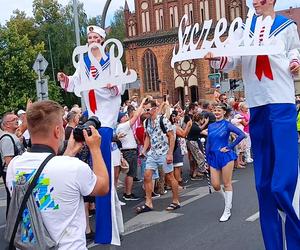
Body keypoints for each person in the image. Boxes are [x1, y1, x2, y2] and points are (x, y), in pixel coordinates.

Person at [205, 0, 300, 247]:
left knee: (282, 182)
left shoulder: (286, 26)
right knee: (263, 186)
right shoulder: (242, 29)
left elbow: (294, 51)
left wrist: (295, 62)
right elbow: (232, 59)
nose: (256, 2)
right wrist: (215, 59)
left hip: (281, 101)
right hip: (257, 104)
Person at [6, 100, 109, 249]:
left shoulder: (14, 166)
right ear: (57, 131)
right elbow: (103, 186)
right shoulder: (73, 168)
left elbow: (50, 169)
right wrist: (95, 149)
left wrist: (70, 152)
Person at [57, 25, 123, 245]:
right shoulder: (83, 62)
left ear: (102, 41)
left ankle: (109, 229)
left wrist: (113, 86)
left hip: (106, 118)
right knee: (102, 177)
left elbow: (120, 86)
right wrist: (65, 78)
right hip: (92, 115)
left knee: (104, 174)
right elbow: (75, 83)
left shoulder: (112, 61)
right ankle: (111, 224)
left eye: (96, 37)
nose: (92, 40)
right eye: (90, 37)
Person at [206, 103, 245, 222]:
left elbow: (241, 135)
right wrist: (207, 160)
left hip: (225, 156)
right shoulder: (211, 126)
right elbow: (208, 143)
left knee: (227, 183)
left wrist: (230, 146)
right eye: (215, 110)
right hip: (213, 157)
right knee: (216, 185)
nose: (216, 112)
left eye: (219, 110)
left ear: (224, 112)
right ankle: (227, 201)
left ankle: (227, 210)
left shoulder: (227, 125)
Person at [138, 100, 179, 213]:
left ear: (154, 109)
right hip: (153, 153)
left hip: (164, 152)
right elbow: (147, 137)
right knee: (147, 176)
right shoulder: (146, 122)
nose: (145, 112)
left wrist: (170, 153)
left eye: (147, 109)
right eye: (144, 109)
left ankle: (176, 201)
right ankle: (148, 202)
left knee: (170, 177)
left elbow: (171, 136)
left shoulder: (163, 120)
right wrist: (144, 150)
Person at [0, 113, 25, 217]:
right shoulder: (6, 138)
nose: (17, 120)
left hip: (15, 173)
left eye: (16, 118)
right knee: (13, 201)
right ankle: (11, 226)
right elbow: (8, 161)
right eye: (13, 119)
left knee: (15, 201)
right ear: (6, 125)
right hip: (11, 174)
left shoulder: (13, 136)